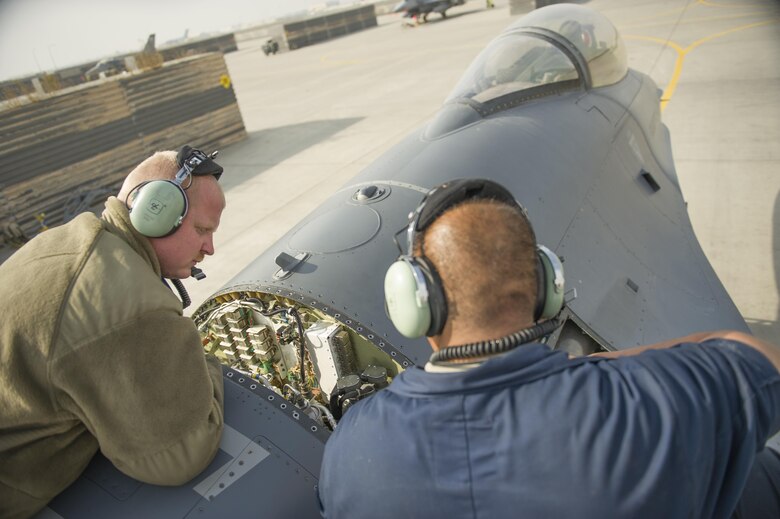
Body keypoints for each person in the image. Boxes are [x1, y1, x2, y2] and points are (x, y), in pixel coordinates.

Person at [318, 178, 780, 518]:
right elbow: (755, 358)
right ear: (545, 289)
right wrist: (607, 366)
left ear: (414, 302)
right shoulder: (660, 404)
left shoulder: (348, 454)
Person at [0, 146, 227, 518]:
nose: (210, 248)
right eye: (202, 229)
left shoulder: (68, 240)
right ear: (157, 211)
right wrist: (208, 364)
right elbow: (181, 456)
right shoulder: (128, 299)